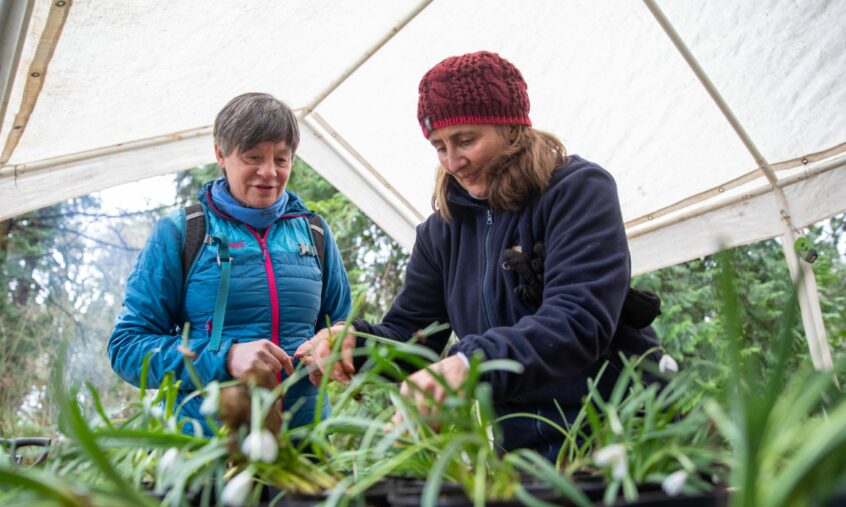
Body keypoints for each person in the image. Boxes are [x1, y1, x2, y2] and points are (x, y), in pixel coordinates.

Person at [296, 51, 662, 460]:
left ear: (511, 127)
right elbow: (412, 339)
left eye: (466, 140)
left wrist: (472, 363)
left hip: (621, 433)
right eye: (439, 147)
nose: (453, 162)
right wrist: (355, 344)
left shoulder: (576, 192)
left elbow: (578, 320)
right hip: (526, 455)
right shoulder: (441, 233)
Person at [109, 93, 352, 435]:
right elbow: (127, 348)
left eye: (282, 159)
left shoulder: (315, 233)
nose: (269, 173)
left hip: (305, 444)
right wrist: (224, 358)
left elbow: (341, 324)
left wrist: (335, 345)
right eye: (253, 157)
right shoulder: (183, 232)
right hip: (207, 445)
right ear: (221, 154)